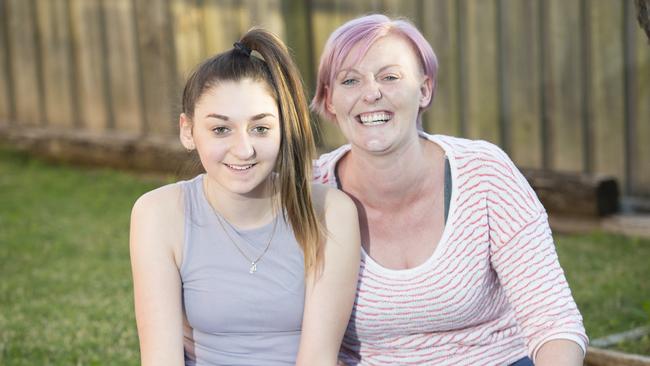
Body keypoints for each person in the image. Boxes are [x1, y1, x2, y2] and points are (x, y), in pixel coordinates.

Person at [311, 14, 588, 366]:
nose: (371, 93)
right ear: (331, 101)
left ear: (424, 89)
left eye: (390, 76)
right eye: (350, 80)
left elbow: (553, 321)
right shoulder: (311, 191)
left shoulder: (484, 173)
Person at [129, 28, 360, 366]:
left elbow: (318, 359)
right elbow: (161, 358)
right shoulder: (159, 214)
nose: (243, 149)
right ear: (187, 131)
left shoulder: (329, 211)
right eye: (221, 129)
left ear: (283, 129)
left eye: (260, 128)